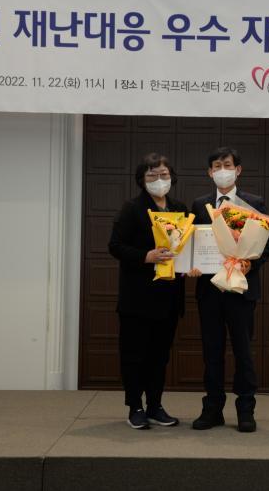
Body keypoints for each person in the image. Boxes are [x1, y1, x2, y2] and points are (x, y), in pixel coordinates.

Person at [188, 146, 269, 432]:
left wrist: (251, 263)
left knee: (243, 352)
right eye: (217, 166)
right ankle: (212, 409)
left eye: (227, 165)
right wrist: (191, 263)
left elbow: (268, 243)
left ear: (238, 170)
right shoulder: (200, 204)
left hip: (241, 290)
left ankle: (246, 409)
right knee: (211, 352)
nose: (222, 170)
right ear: (209, 172)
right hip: (209, 291)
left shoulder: (253, 202)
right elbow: (192, 242)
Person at [108, 152, 194, 429]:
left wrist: (190, 265)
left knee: (160, 356)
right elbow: (115, 246)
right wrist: (146, 256)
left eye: (163, 174)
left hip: (168, 297)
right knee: (134, 355)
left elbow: (185, 247)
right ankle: (135, 407)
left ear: (172, 177)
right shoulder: (132, 208)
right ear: (142, 180)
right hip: (138, 297)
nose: (159, 179)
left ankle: (155, 406)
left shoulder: (180, 208)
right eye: (152, 175)